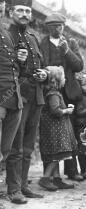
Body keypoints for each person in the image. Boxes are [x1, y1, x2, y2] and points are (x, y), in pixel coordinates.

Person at [6, 0, 48, 204]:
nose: (24, 14)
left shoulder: (33, 38)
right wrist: (18, 61)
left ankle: (23, 185)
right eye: (20, 10)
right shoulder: (6, 36)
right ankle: (13, 189)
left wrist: (44, 74)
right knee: (16, 146)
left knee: (28, 145)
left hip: (36, 97)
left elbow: (45, 65)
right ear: (11, 12)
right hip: (17, 97)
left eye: (28, 11)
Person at [40, 12, 84, 182]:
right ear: (48, 28)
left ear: (64, 26)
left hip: (68, 92)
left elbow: (79, 66)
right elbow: (40, 65)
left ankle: (72, 170)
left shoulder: (71, 43)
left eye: (59, 26)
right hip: (50, 92)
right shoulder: (42, 42)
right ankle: (50, 175)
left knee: (69, 132)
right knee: (50, 133)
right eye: (53, 26)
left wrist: (67, 52)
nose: (57, 29)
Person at [38, 66, 77, 191]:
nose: (65, 79)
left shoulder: (53, 92)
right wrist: (67, 110)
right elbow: (55, 111)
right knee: (58, 154)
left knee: (57, 154)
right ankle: (45, 178)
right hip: (55, 129)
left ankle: (57, 179)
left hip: (55, 128)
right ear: (57, 79)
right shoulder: (54, 94)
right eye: (64, 77)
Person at [0, 0, 26, 164]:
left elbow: (14, 68)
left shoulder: (6, 34)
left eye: (0, 10)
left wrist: (20, 61)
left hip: (14, 98)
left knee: (5, 149)